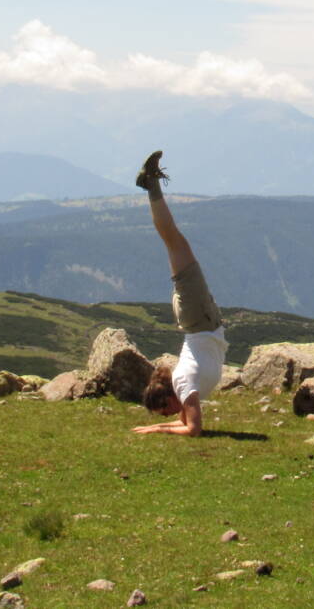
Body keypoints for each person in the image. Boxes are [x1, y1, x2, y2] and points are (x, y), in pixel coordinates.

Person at [131, 150, 227, 437]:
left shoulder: (183, 384)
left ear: (167, 397)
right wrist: (156, 427)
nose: (177, 413)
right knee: (174, 241)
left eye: (168, 410)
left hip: (198, 319)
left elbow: (191, 429)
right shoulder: (183, 386)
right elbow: (189, 428)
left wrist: (155, 430)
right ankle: (151, 184)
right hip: (197, 320)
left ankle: (151, 184)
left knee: (173, 240)